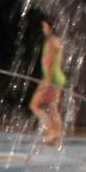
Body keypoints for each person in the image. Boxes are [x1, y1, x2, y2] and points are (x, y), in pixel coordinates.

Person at [31, 16, 67, 144]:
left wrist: (47, 81)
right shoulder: (58, 41)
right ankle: (56, 133)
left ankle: (51, 131)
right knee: (53, 107)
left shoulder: (51, 42)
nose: (43, 29)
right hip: (58, 77)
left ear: (50, 28)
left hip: (51, 78)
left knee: (34, 105)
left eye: (45, 26)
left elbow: (50, 62)